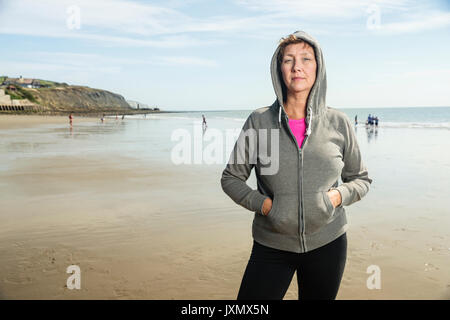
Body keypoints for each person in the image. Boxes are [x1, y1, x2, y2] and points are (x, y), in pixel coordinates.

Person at [221, 31, 373, 300]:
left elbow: (361, 179)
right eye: (288, 60)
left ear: (319, 67)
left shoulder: (339, 122)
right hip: (271, 244)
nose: (297, 67)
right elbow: (231, 178)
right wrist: (266, 206)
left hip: (329, 242)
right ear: (279, 69)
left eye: (306, 58)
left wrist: (337, 197)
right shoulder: (259, 122)